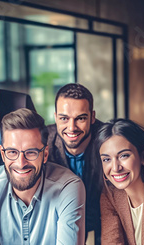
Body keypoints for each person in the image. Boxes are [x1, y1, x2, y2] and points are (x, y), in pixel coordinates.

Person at [0, 108, 86, 245]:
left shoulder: (68, 187)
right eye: (12, 152)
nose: (21, 163)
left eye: (31, 152)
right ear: (3, 154)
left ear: (45, 155)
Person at [47, 83, 103, 242]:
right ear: (55, 117)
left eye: (80, 118)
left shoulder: (107, 141)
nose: (71, 128)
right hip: (60, 217)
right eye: (64, 118)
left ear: (92, 117)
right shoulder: (43, 142)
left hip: (104, 214)